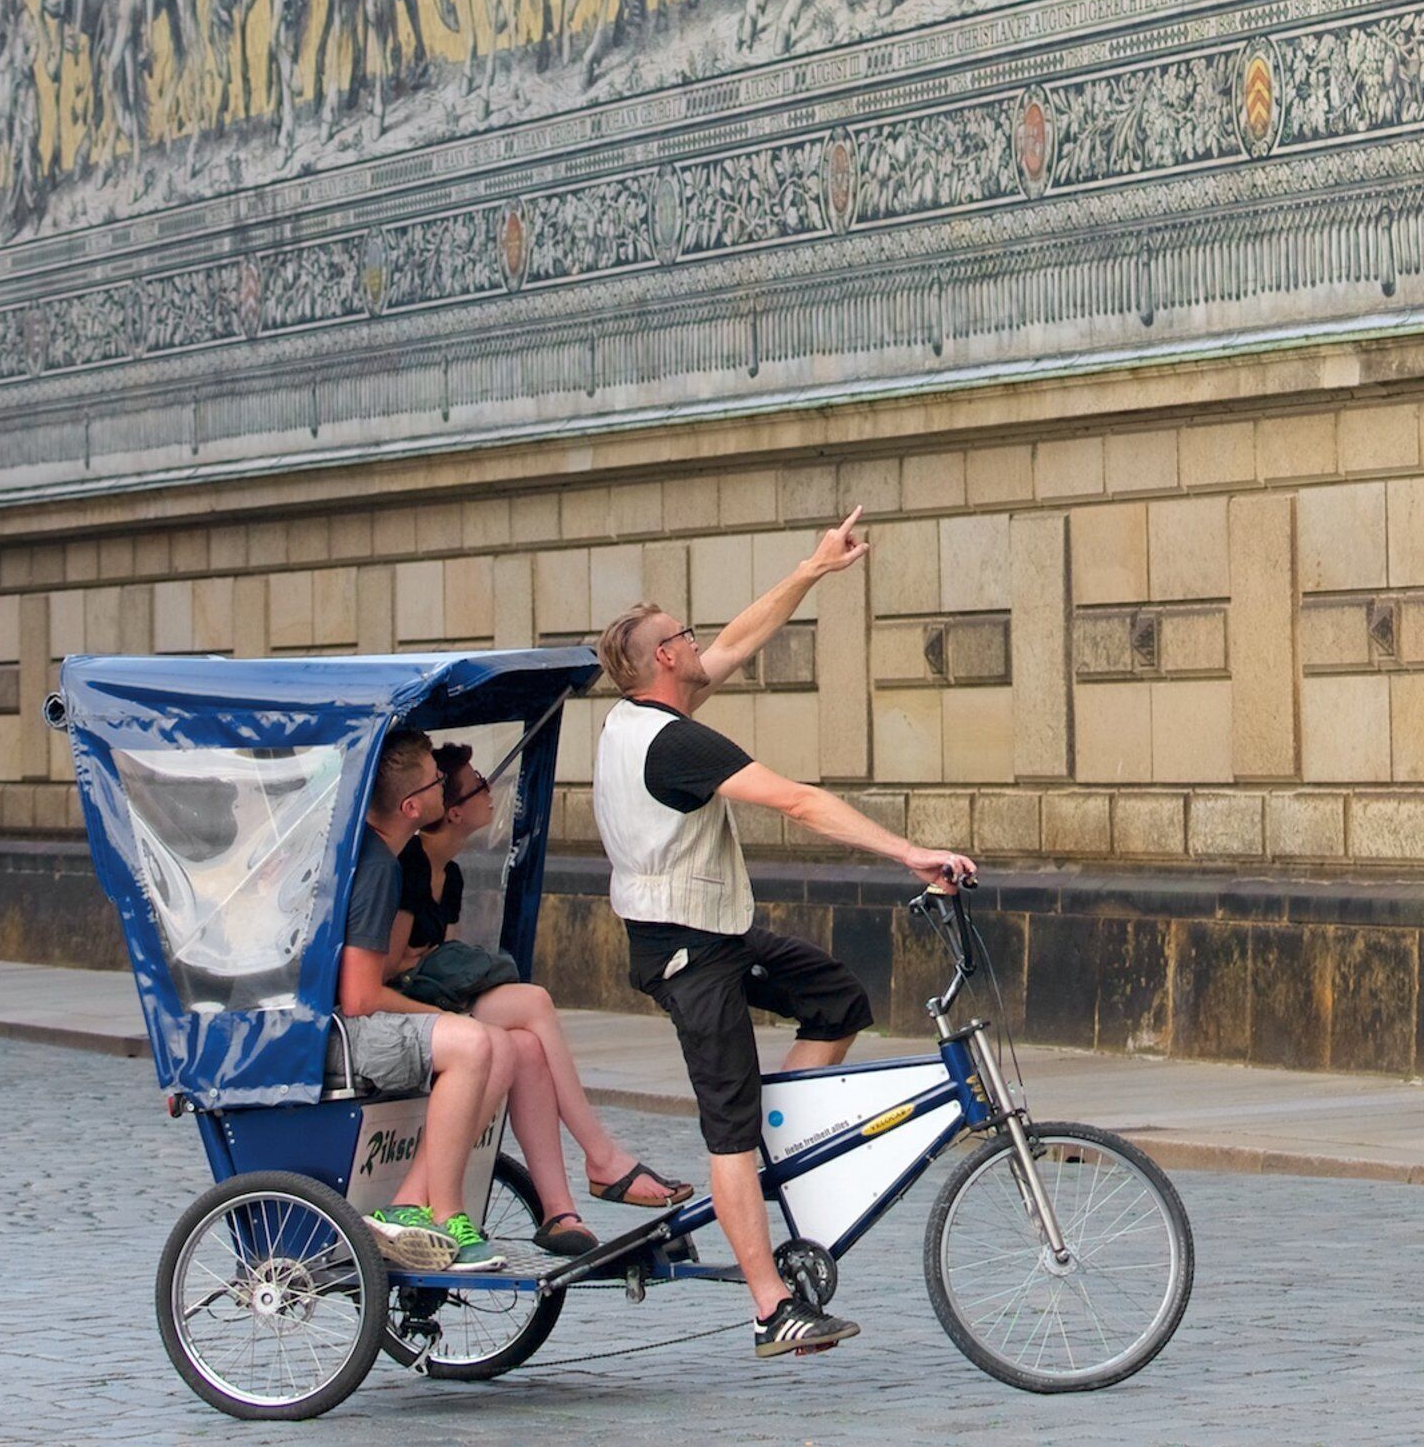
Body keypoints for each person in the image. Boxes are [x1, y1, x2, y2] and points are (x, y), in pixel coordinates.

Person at [593, 511, 977, 1358]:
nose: (701, 643)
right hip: (687, 952)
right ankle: (771, 1309)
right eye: (683, 636)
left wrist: (812, 569)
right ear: (664, 658)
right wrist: (908, 850)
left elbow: (738, 638)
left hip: (714, 935)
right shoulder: (676, 745)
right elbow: (799, 800)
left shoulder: (639, 717)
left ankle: (779, 1145)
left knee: (835, 999)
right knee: (726, 1125)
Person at [403, 751, 692, 1259]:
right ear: (451, 811)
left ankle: (560, 1214)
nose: (490, 792)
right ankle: (601, 1157)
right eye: (478, 785)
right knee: (533, 1003)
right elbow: (383, 972)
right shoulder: (405, 868)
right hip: (396, 1010)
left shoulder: (449, 875)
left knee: (527, 1050)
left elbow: (432, 956)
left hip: (427, 999)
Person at [334, 729, 510, 1271]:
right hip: (340, 1034)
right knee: (472, 1042)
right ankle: (444, 1213)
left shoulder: (377, 855)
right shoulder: (379, 868)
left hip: (346, 1023)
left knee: (499, 1046)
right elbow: (360, 997)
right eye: (438, 781)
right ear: (413, 807)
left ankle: (410, 1202)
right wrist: (440, 1017)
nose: (445, 788)